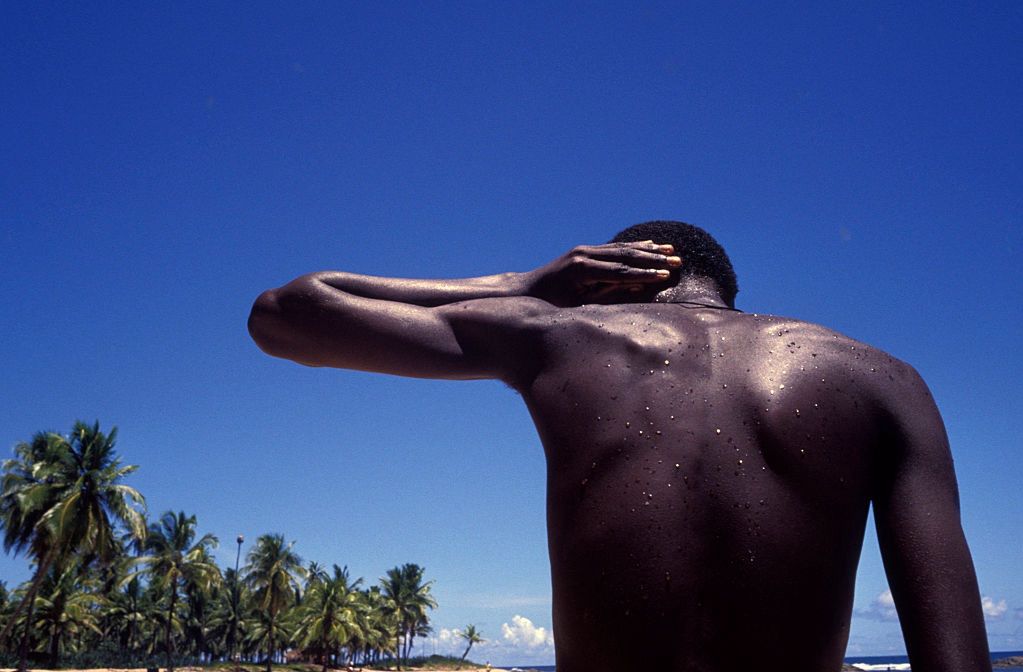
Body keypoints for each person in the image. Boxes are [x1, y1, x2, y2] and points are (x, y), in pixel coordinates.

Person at [248, 221, 991, 672]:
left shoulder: (559, 337)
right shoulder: (882, 379)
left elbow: (286, 314)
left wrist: (524, 283)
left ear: (604, 280)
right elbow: (951, 659)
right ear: (724, 290)